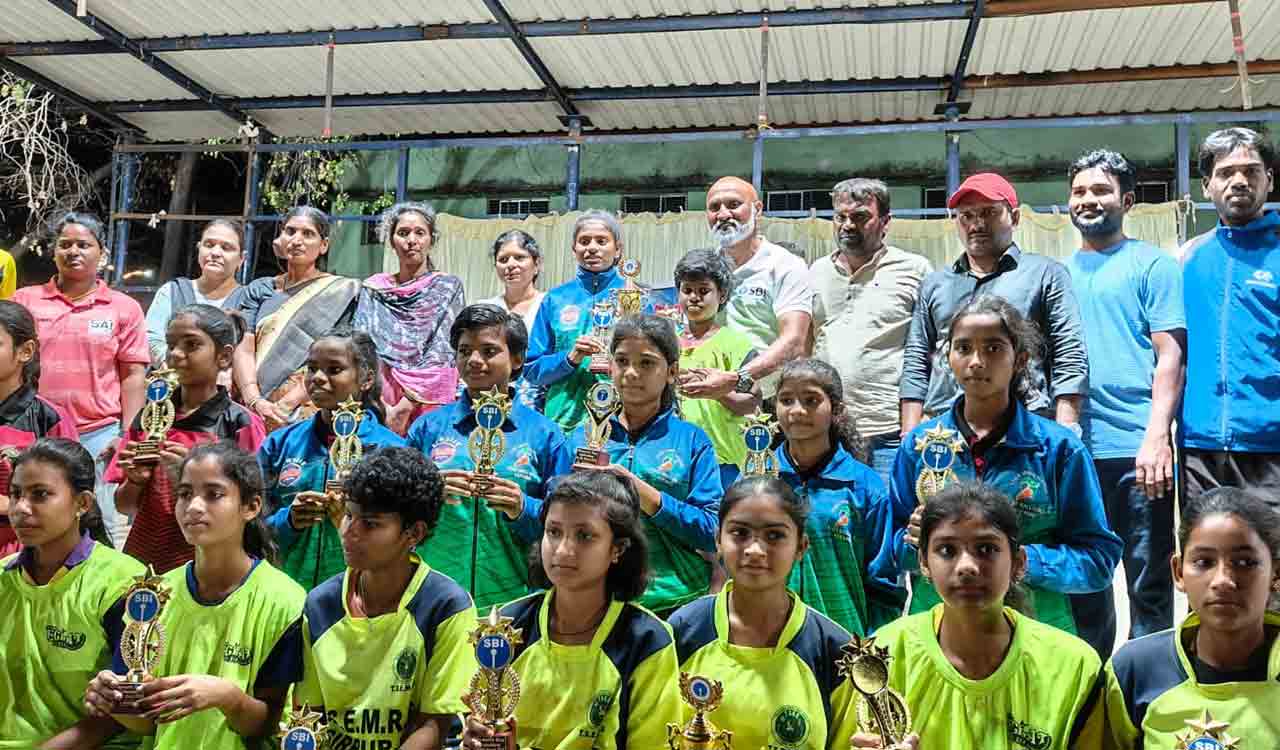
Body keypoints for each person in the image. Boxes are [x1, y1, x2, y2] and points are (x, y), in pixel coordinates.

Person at [889, 295, 1122, 654]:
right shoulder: (919, 447)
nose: (976, 361)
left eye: (993, 348)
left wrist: (1017, 560)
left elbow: (1098, 560)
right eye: (963, 348)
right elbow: (888, 550)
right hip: (938, 638)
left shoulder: (1057, 449)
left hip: (1036, 635)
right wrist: (916, 544)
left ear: (1021, 359)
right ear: (947, 358)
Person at [83, 442, 306, 750]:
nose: (193, 507)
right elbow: (148, 723)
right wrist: (113, 700)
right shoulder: (152, 595)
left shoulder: (285, 601)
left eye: (213, 494)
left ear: (251, 507)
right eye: (185, 494)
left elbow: (270, 726)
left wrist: (228, 698)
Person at [862, 482, 1104, 749]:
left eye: (986, 549)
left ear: (1019, 563)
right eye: (947, 550)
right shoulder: (884, 655)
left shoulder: (1075, 667)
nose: (966, 566)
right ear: (924, 563)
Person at [462, 471, 683, 750]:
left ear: (617, 549)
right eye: (553, 532)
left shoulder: (648, 641)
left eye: (584, 536)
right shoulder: (505, 626)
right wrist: (478, 739)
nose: (563, 550)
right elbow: (480, 725)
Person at [1064, 149, 1186, 648]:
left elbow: (1171, 355)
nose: (1088, 200)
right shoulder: (1056, 275)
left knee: (1148, 587)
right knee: (1083, 591)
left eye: (1101, 190)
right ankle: (1089, 687)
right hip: (1074, 456)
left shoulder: (1153, 265)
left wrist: (1158, 438)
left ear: (1128, 201)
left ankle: (1148, 690)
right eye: (1079, 191)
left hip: (1139, 455)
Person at [296, 447, 474, 750]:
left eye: (370, 524)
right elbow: (309, 716)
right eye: (348, 515)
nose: (349, 532)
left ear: (414, 533)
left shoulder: (447, 607)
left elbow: (435, 724)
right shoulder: (319, 604)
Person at [668, 477, 861, 750]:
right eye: (740, 533)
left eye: (775, 536)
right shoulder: (682, 630)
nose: (755, 550)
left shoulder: (836, 652)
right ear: (718, 539)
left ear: (801, 546)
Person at [405, 304, 572, 611]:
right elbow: (395, 509)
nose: (473, 360)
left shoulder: (546, 436)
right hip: (432, 599)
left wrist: (523, 507)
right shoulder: (427, 428)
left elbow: (569, 523)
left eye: (489, 351)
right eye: (464, 350)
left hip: (516, 601)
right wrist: (429, 492)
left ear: (518, 359)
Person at [900, 173, 1087, 434]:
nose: (976, 224)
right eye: (966, 215)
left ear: (1015, 217)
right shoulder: (935, 284)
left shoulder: (1045, 274)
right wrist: (910, 433)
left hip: (1023, 425)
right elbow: (917, 359)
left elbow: (1069, 353)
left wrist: (1066, 428)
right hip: (944, 428)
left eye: (989, 212)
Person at [1102, 488, 1280, 747]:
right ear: (1178, 573)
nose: (1223, 581)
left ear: (1276, 574)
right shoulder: (1134, 670)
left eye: (1244, 563)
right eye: (1204, 562)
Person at [568, 315, 721, 616]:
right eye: (622, 361)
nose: (631, 373)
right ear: (610, 367)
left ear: (672, 372)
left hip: (676, 601)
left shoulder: (692, 440)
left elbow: (712, 531)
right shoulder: (582, 437)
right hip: (598, 598)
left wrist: (644, 494)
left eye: (647, 363)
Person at [13, 211, 149, 548]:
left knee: (99, 529)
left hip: (98, 436)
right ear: (54, 251)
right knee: (30, 523)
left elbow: (133, 375)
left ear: (102, 253)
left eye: (84, 245)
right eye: (65, 244)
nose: (73, 251)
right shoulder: (25, 301)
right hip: (34, 430)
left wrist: (126, 435)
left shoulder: (124, 308)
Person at [0, 439, 142, 749]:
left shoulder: (124, 584)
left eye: (40, 494)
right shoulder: (3, 576)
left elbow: (122, 710)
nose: (21, 508)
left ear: (82, 503)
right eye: (15, 494)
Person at [107, 305, 267, 573]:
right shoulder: (149, 417)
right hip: (146, 558)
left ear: (224, 356)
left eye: (191, 345)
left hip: (210, 563)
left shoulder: (240, 423)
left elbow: (255, 507)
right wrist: (135, 480)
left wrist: (191, 477)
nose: (176, 354)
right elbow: (124, 505)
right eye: (171, 345)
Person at [1179, 127, 1280, 513]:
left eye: (1251, 171)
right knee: (1203, 547)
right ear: (1207, 186)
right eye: (1225, 172)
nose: (1239, 181)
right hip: (1200, 448)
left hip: (1271, 446)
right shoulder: (1187, 258)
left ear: (1269, 180)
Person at [259, 328, 406, 590]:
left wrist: (357, 517)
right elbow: (249, 523)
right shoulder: (279, 444)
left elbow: (407, 533)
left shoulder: (393, 450)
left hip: (364, 596)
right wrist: (288, 520)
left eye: (334, 369)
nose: (317, 378)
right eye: (312, 368)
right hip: (288, 592)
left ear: (366, 379)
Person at [809, 179, 932, 483]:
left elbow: (932, 349)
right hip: (828, 431)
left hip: (889, 432)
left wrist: (919, 419)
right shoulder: (815, 272)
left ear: (885, 222)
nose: (848, 225)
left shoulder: (914, 270)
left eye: (860, 217)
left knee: (890, 511)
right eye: (840, 216)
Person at [773, 358, 902, 635]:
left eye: (811, 400)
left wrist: (875, 646)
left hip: (844, 640)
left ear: (837, 409)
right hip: (770, 639)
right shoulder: (759, 477)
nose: (797, 410)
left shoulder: (863, 485)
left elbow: (883, 582)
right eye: (786, 400)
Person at [679, 176, 813, 406]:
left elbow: (794, 341)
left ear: (757, 209)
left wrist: (736, 379)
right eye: (714, 207)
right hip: (706, 398)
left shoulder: (785, 265)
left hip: (769, 400)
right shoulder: (702, 268)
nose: (723, 214)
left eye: (733, 204)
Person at [233, 206, 360, 432]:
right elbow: (244, 347)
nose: (297, 240)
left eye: (308, 234)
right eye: (290, 231)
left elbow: (336, 358)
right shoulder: (261, 289)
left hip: (308, 404)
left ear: (324, 245)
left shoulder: (340, 292)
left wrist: (285, 405)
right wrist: (254, 400)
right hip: (252, 404)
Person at [524, 210, 651, 432]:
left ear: (618, 249)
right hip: (563, 420)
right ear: (574, 249)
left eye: (601, 241)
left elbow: (653, 362)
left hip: (625, 419)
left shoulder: (636, 298)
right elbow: (532, 369)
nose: (592, 248)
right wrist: (570, 358)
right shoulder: (555, 299)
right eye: (584, 241)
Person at [354, 202, 465, 435]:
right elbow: (362, 346)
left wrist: (406, 405)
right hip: (381, 391)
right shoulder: (374, 288)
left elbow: (444, 349)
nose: (411, 240)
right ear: (391, 241)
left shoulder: (447, 287)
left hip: (429, 395)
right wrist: (384, 405)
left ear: (431, 240)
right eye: (403, 233)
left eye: (419, 233)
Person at [671, 248, 759, 488]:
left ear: (722, 295)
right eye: (687, 290)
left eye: (703, 291)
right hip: (674, 458)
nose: (694, 298)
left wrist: (717, 393)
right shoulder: (666, 343)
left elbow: (752, 403)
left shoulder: (737, 345)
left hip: (724, 462)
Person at [0, 301, 79, 558]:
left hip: (26, 555)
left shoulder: (49, 418)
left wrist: (11, 504)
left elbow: (73, 496)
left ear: (25, 351)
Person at [143, 219, 246, 367]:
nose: (215, 253)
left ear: (241, 258)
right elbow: (151, 338)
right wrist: (176, 367)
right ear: (199, 248)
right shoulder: (173, 291)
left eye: (226, 247)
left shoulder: (248, 299)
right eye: (209, 245)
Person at [480, 229, 547, 410]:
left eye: (519, 257)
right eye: (503, 259)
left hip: (541, 403)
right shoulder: (485, 308)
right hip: (491, 400)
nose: (510, 264)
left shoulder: (550, 304)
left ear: (536, 264)